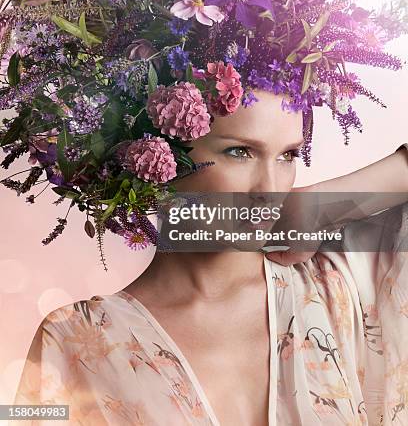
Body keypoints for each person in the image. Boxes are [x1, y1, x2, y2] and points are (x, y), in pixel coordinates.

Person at [13, 90, 408, 425]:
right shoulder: (75, 341)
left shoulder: (338, 285)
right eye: (240, 152)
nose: (269, 189)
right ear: (160, 158)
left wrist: (326, 204)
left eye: (288, 156)